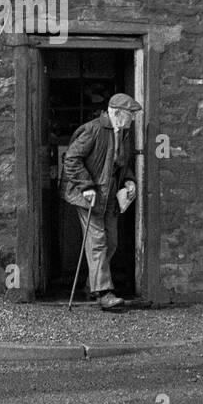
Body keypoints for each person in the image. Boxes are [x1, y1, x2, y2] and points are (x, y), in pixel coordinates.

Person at [60, 92, 142, 310]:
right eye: (130, 114)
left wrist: (129, 181)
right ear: (116, 113)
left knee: (111, 241)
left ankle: (91, 285)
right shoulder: (94, 129)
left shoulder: (123, 133)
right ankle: (104, 293)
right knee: (97, 242)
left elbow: (120, 164)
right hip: (89, 196)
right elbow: (71, 159)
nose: (132, 119)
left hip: (109, 197)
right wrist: (85, 186)